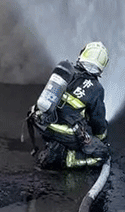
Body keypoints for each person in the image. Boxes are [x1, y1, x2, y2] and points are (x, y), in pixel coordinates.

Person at [25, 41, 110, 171]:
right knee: (102, 153)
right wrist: (100, 141)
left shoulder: (66, 72)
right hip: (65, 131)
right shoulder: (96, 88)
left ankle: (53, 144)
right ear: (102, 65)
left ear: (83, 54)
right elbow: (97, 121)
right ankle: (66, 159)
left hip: (42, 122)